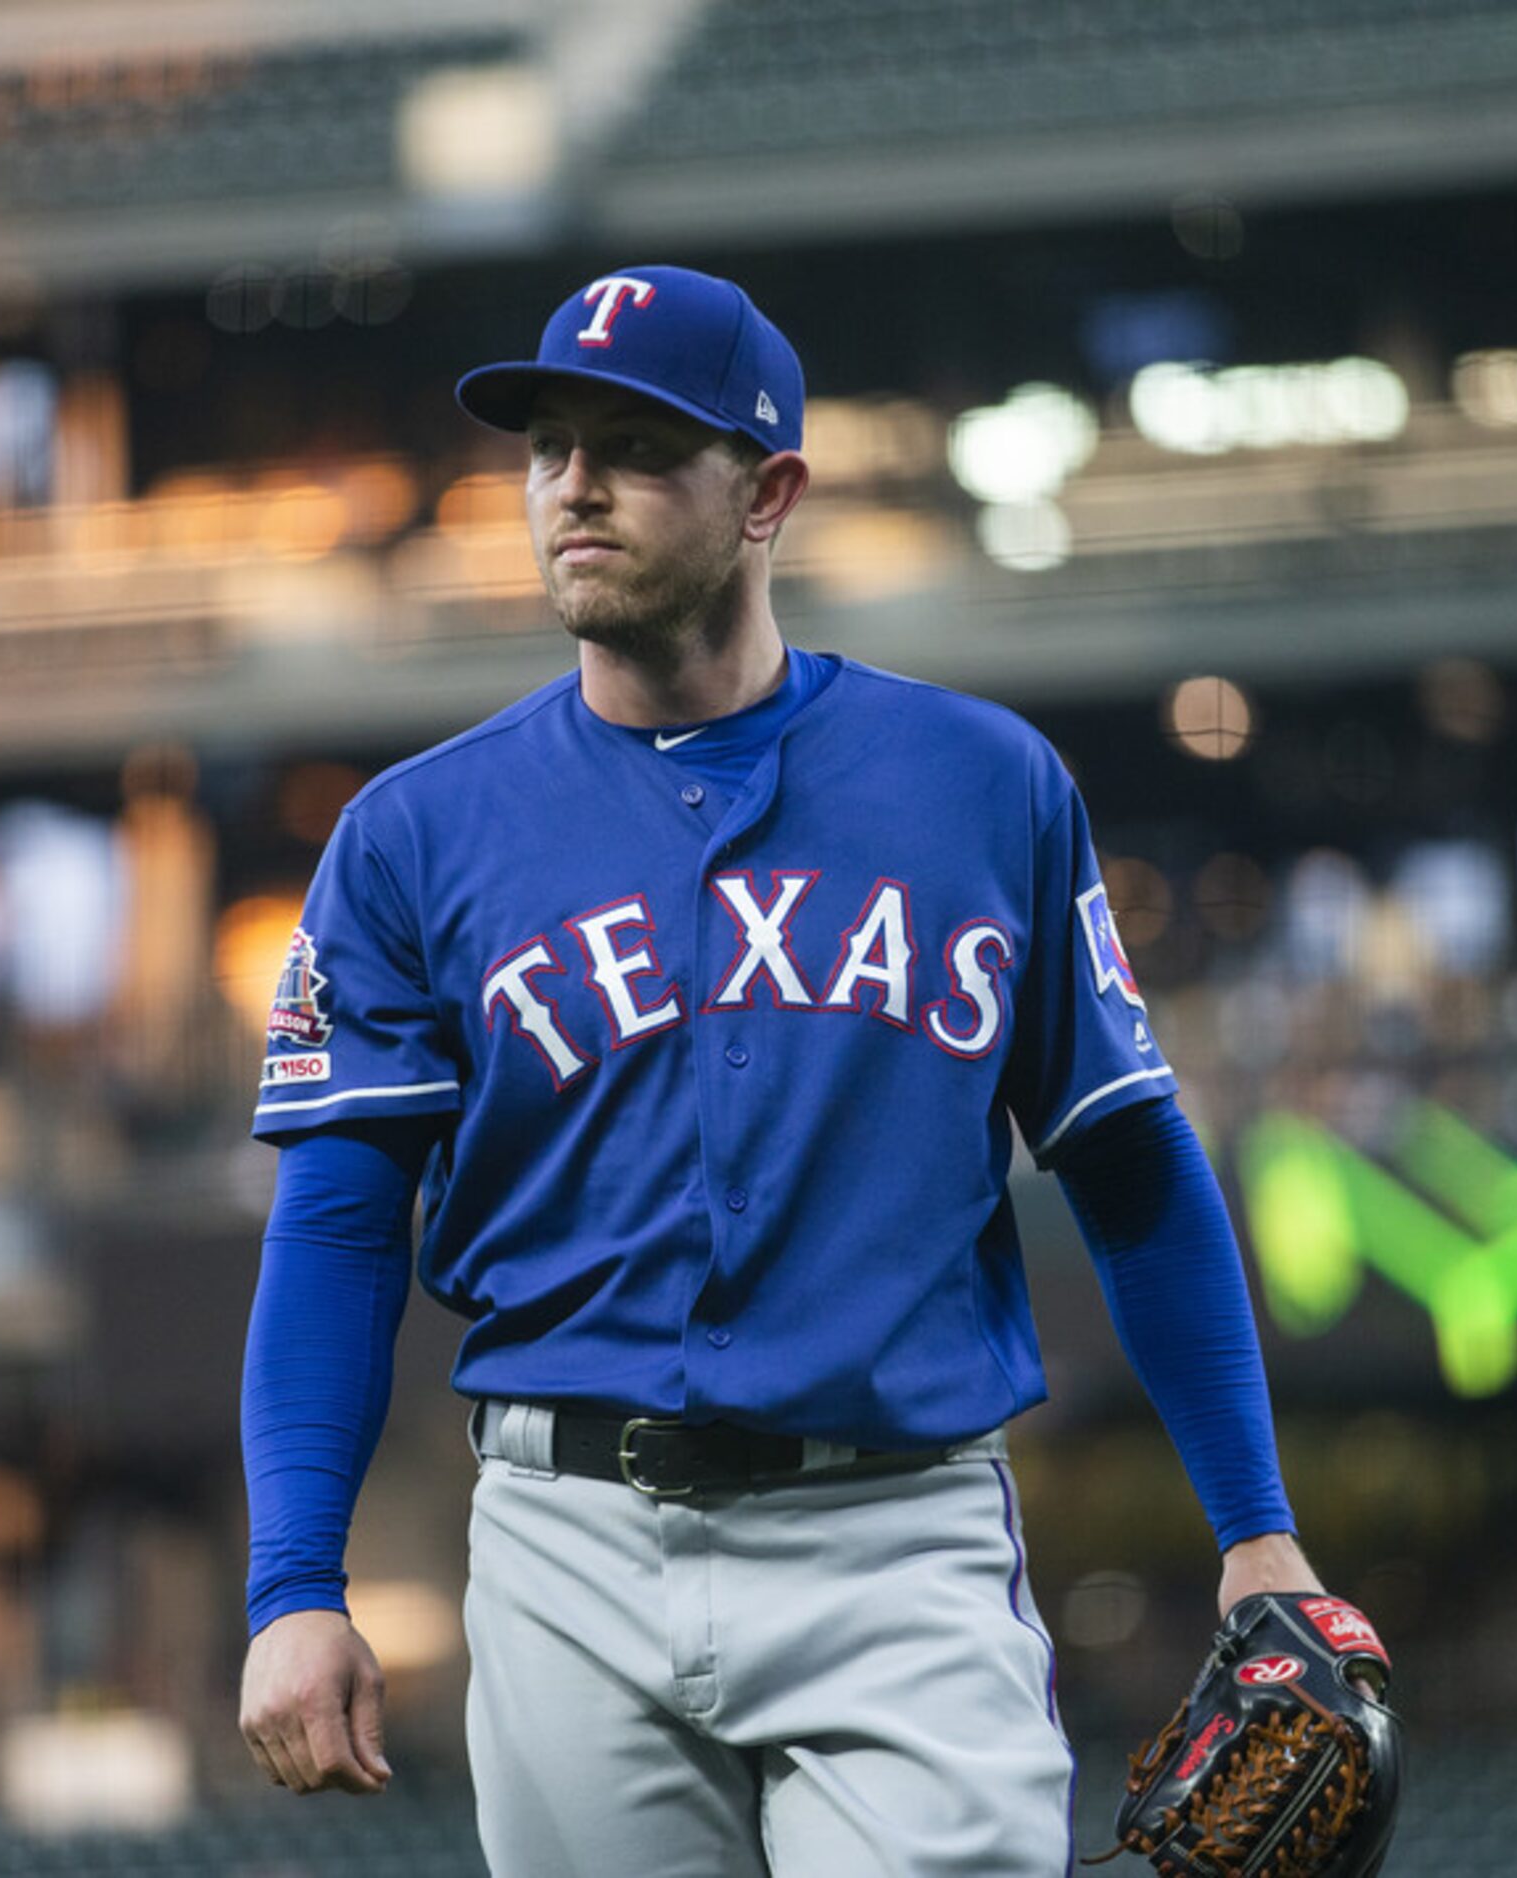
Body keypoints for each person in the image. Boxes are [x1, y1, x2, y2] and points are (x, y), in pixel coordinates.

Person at [237, 264, 1333, 1875]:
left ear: (768, 493)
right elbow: (336, 1227)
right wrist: (293, 1585)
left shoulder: (981, 785)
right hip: (566, 1542)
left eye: (633, 446)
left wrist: (1257, 1529)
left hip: (891, 1532)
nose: (573, 486)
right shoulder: (413, 833)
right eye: (548, 444)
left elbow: (1130, 1166)